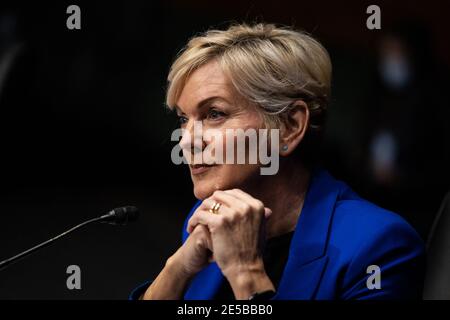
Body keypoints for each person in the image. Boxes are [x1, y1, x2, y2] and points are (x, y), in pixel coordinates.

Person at [130, 23, 425, 300]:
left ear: (289, 126)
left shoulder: (379, 247)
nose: (186, 141)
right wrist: (177, 269)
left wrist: (246, 273)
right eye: (184, 118)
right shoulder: (210, 216)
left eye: (214, 114)